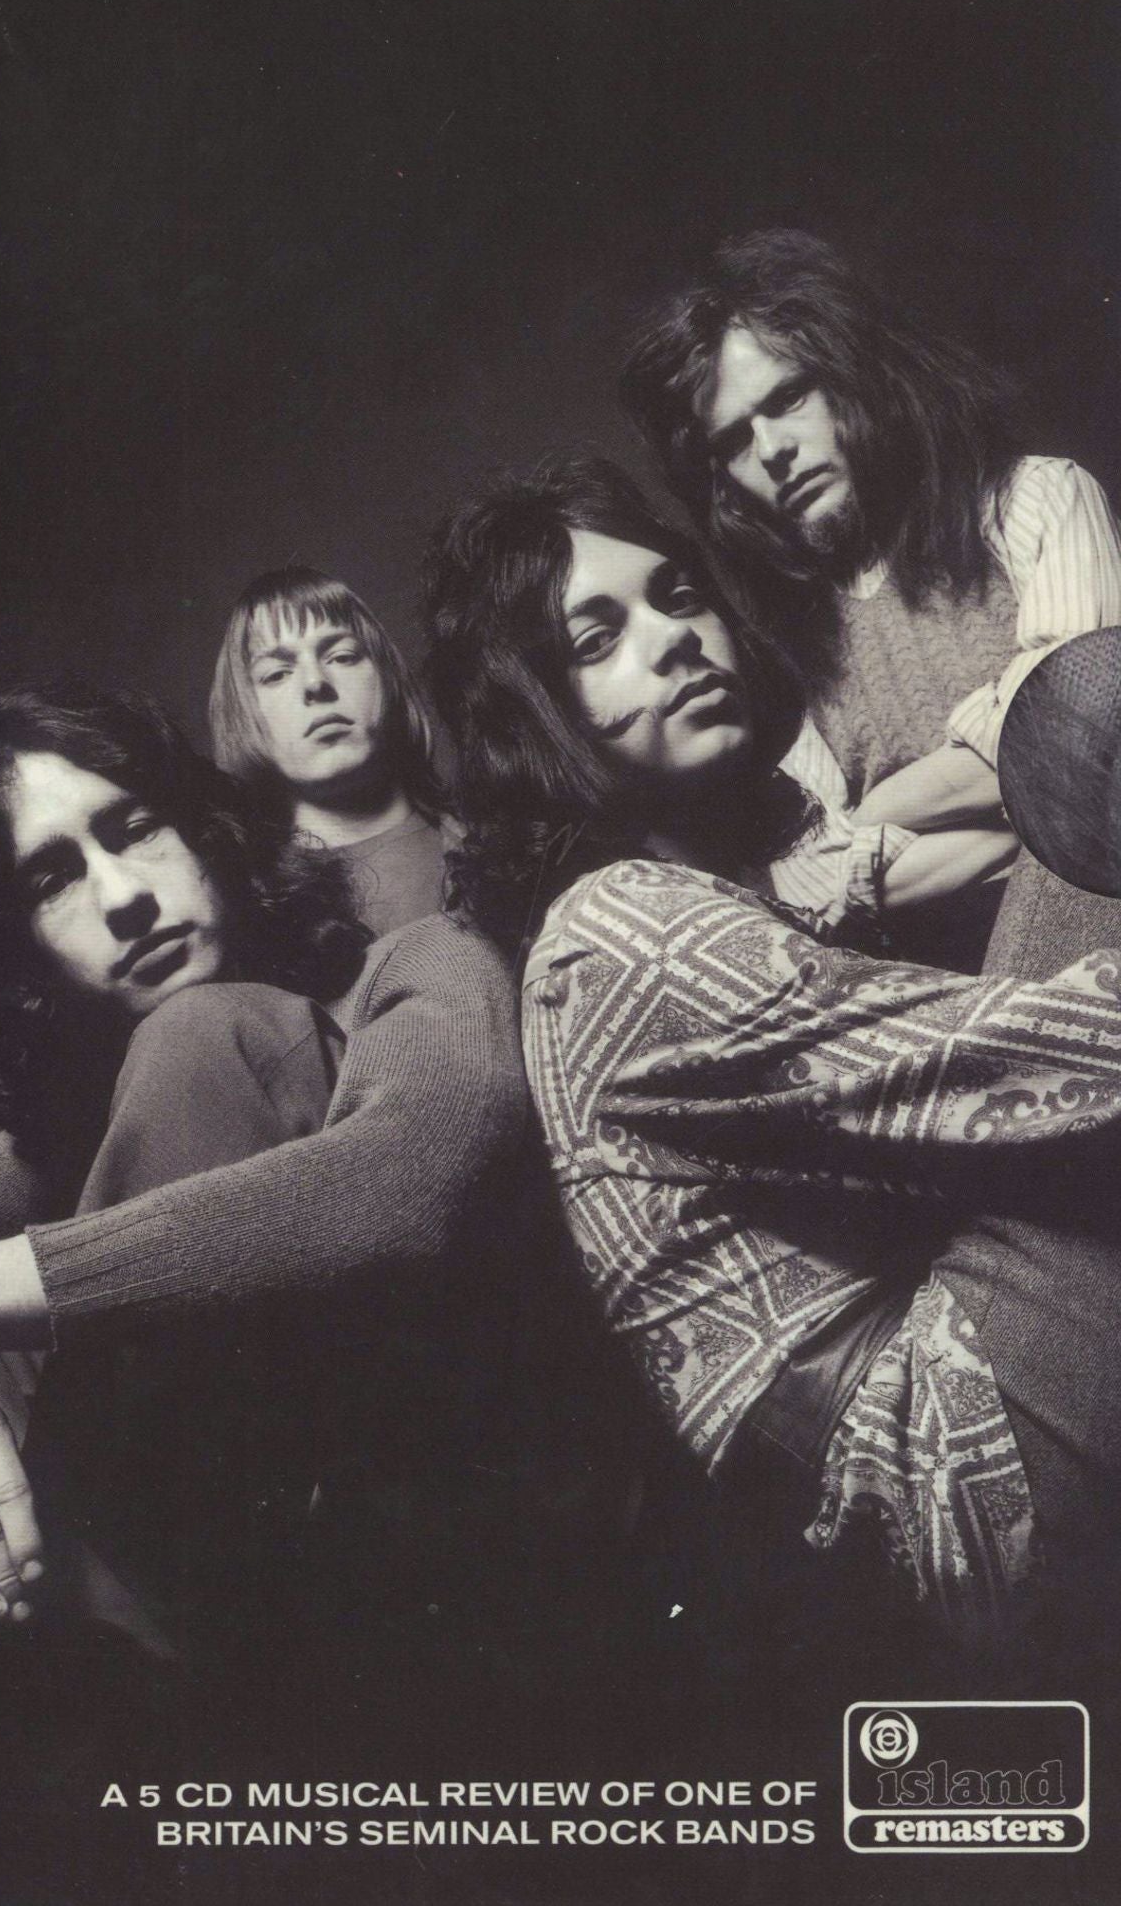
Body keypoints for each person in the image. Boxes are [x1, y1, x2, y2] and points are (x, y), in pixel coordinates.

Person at [422, 455, 1121, 1644]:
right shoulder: (619, 930)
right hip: (956, 1474)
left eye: (677, 595)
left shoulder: (726, 891)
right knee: (1095, 725)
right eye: (595, 638)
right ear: (532, 709)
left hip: (952, 1449)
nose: (672, 639)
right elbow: (1061, 1063)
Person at [0, 682, 533, 1693]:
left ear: (208, 832)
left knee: (206, 1030)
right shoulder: (88, 1124)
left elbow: (410, 1177)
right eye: (53, 878)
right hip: (134, 1592)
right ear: (22, 950)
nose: (123, 895)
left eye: (136, 828)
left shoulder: (419, 962)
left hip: (389, 1560)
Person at [619, 229, 1121, 970]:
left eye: (788, 397)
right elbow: (810, 879)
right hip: (927, 990)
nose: (772, 451)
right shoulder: (779, 635)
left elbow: (1079, 752)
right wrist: (1010, 796)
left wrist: (876, 814)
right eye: (733, 441)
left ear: (858, 376)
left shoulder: (1036, 500)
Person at [209, 563, 451, 935]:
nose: (315, 682)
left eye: (342, 657)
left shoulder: (498, 850)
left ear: (388, 678)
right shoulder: (240, 912)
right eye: (277, 674)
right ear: (242, 714)